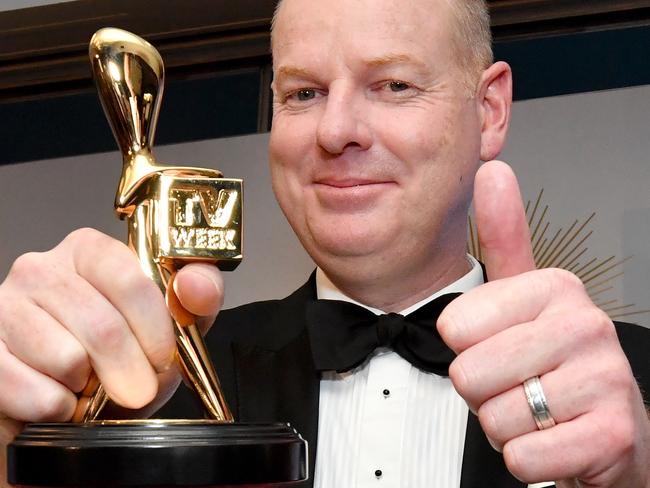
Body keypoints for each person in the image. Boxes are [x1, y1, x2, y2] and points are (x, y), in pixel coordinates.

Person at [0, 0, 648, 487]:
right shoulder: (142, 394)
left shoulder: (632, 395)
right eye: (304, 92)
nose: (336, 130)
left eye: (392, 85)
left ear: (489, 111)